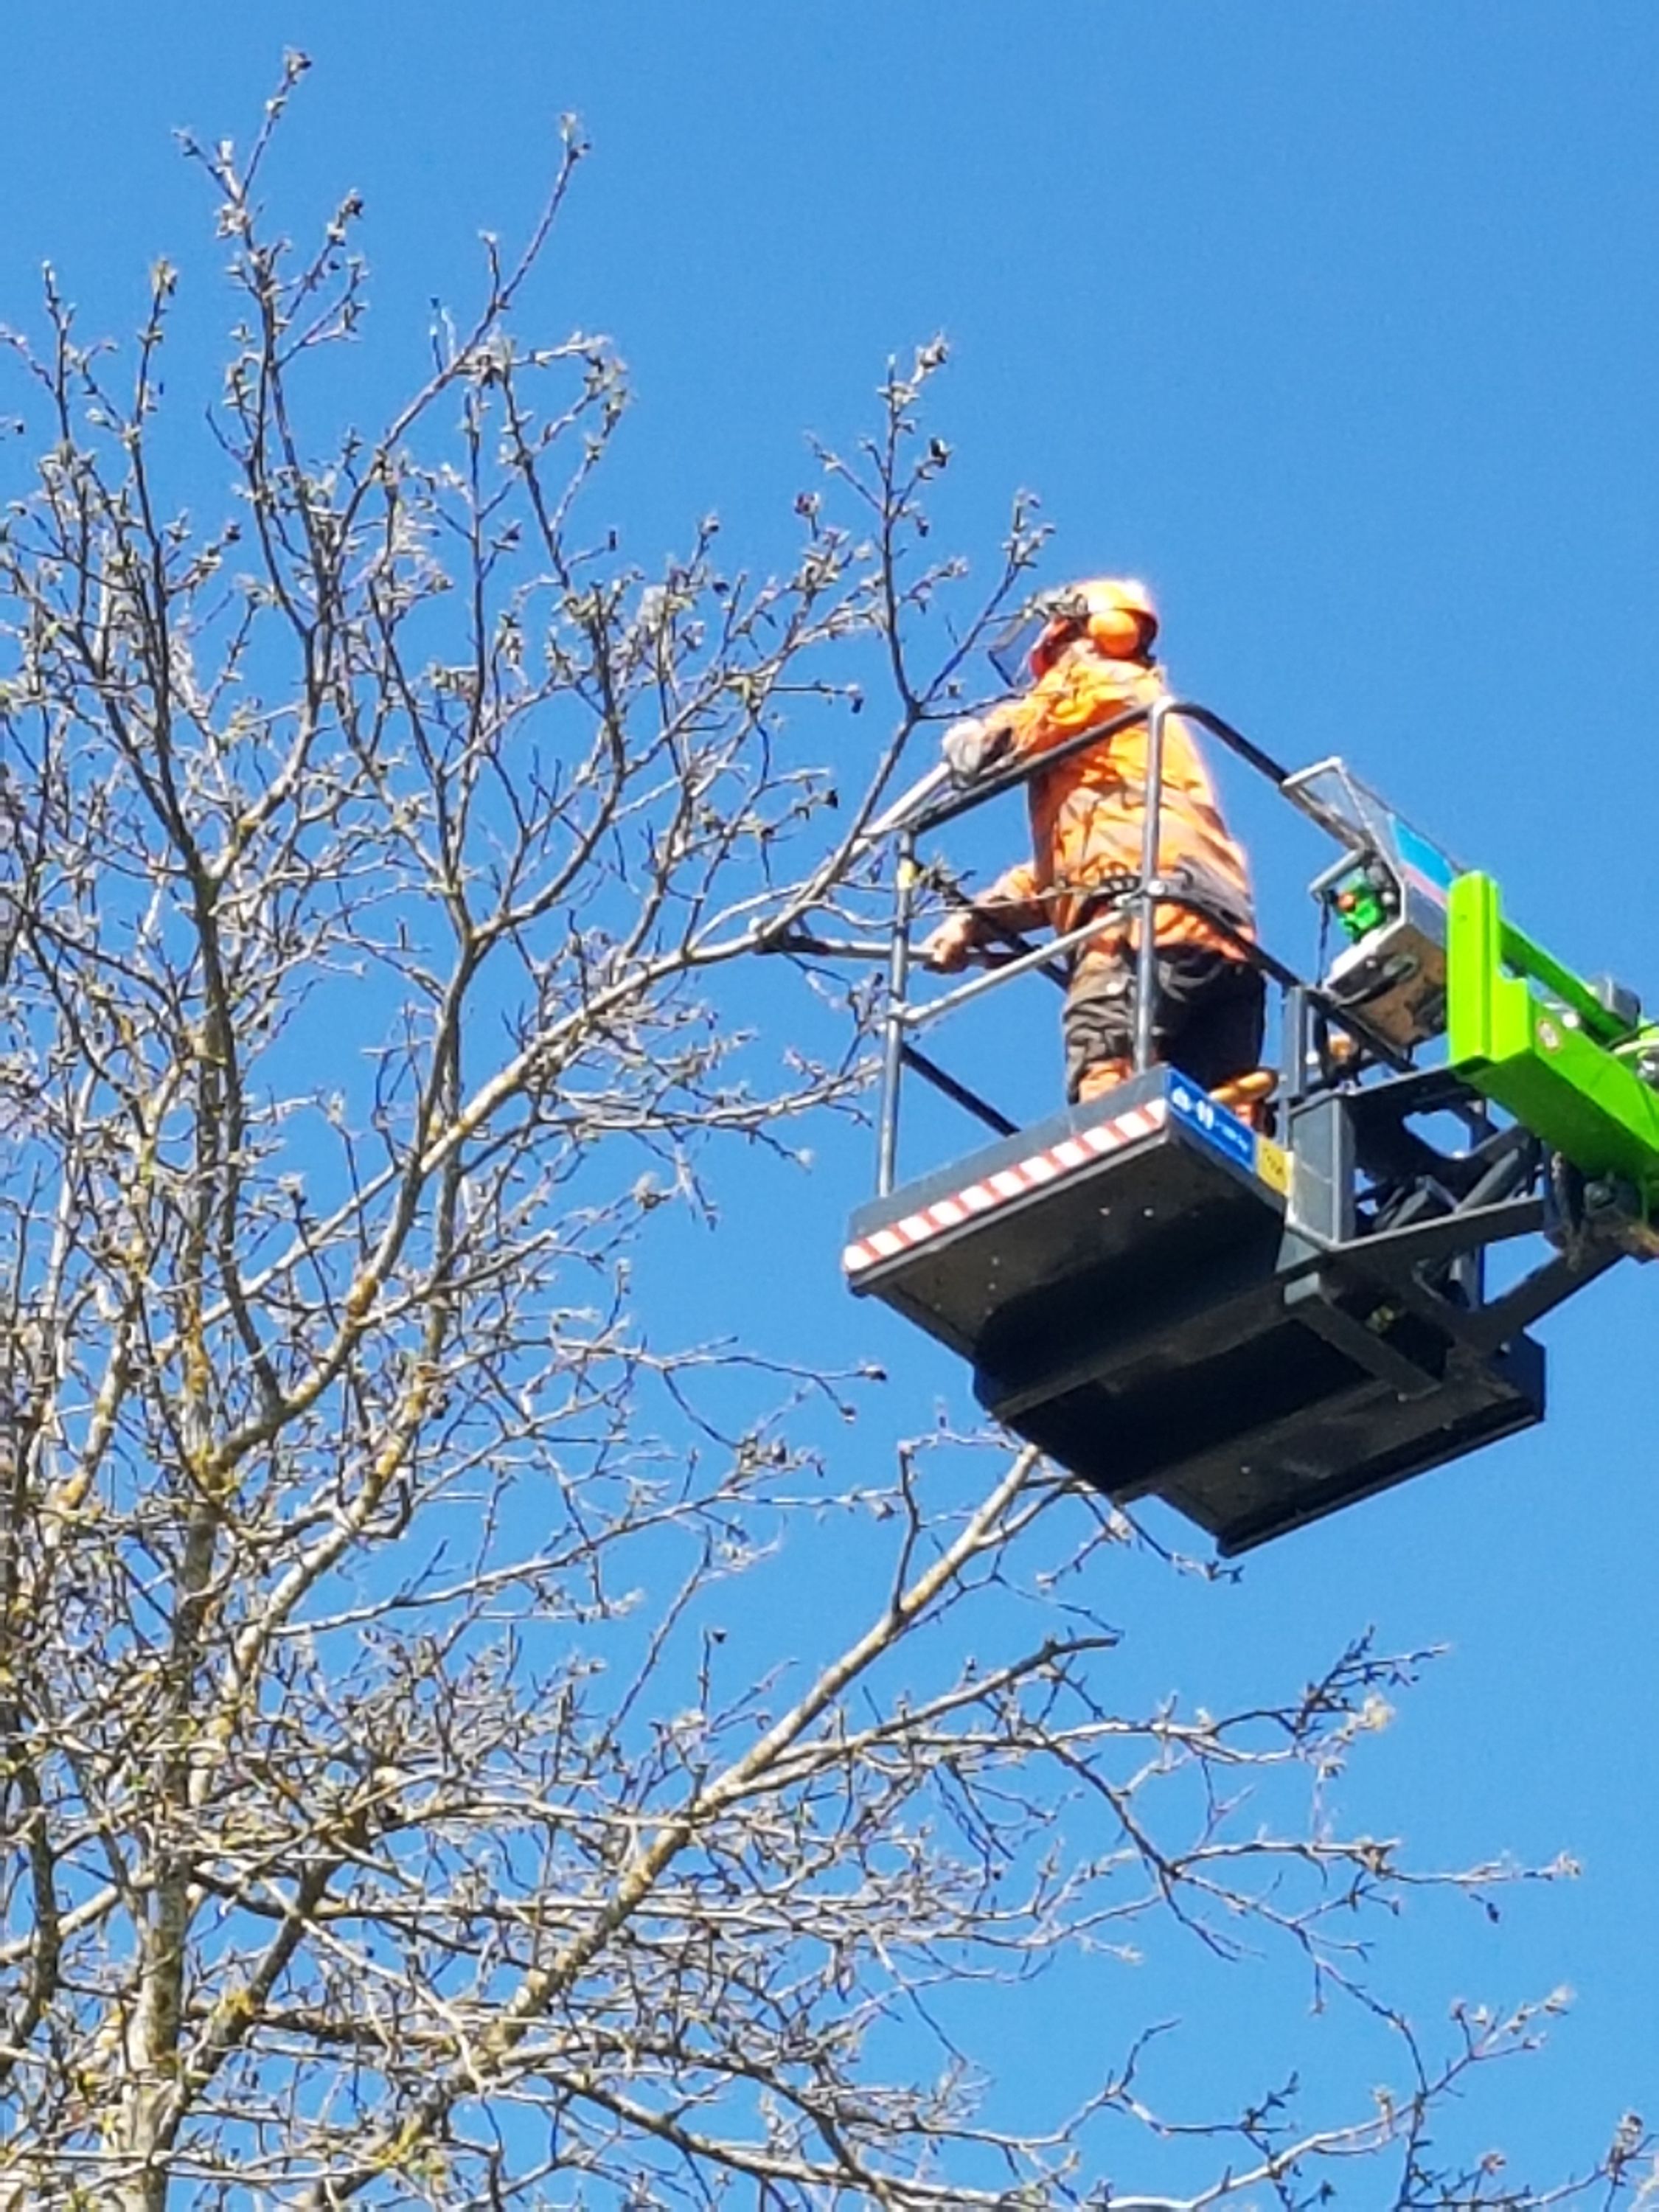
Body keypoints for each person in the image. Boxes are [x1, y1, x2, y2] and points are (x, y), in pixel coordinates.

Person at [918, 577, 1268, 1114]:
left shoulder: (1095, 682)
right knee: (1218, 1111)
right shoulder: (1126, 761)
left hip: (1145, 914)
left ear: (1083, 632)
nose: (1047, 665)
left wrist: (975, 739)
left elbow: (1016, 731)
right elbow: (1063, 876)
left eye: (1055, 646)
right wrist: (974, 921)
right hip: (1222, 934)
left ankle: (1104, 1148)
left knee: (1104, 1050)